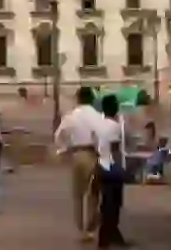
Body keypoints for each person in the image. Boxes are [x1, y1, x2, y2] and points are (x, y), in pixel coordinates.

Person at [55, 86, 103, 244]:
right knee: (93, 193)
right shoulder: (97, 116)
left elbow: (59, 135)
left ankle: (81, 229)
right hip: (92, 154)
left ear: (78, 99)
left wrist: (63, 149)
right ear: (91, 99)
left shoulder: (71, 116)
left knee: (78, 194)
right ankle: (90, 227)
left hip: (76, 154)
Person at [95, 93, 131, 248]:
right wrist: (122, 170)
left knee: (107, 202)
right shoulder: (114, 127)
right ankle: (105, 237)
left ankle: (112, 235)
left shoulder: (98, 125)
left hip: (101, 165)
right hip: (112, 167)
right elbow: (115, 150)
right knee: (114, 204)